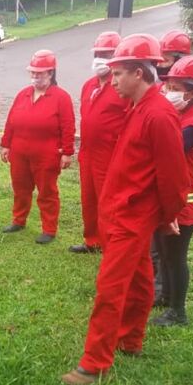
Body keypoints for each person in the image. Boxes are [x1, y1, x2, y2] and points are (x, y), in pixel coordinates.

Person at [61, 34, 188, 385]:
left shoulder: (159, 115)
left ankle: (94, 362)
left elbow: (174, 176)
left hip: (133, 215)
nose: (112, 80)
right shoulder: (137, 107)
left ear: (138, 73)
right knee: (140, 277)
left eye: (118, 74)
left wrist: (168, 215)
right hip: (121, 210)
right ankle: (131, 340)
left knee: (110, 285)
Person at [151, 56, 193, 326]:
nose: (168, 91)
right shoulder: (180, 113)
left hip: (188, 199)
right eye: (169, 85)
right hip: (172, 195)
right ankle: (165, 295)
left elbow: (168, 152)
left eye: (175, 87)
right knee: (164, 251)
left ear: (192, 92)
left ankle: (178, 312)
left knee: (176, 255)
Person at [0, 50, 75, 244]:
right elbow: (10, 121)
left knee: (47, 192)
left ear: (50, 73)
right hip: (20, 151)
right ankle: (19, 220)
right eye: (33, 73)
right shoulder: (23, 94)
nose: (35, 77)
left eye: (39, 73)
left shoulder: (61, 97)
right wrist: (6, 145)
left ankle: (49, 229)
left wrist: (67, 152)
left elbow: (68, 126)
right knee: (20, 188)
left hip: (46, 153)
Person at [69, 31, 130, 254]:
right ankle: (92, 239)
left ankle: (110, 243)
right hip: (88, 151)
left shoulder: (122, 88)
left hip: (109, 153)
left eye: (106, 54)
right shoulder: (89, 85)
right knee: (88, 198)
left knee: (108, 201)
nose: (100, 58)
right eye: (98, 53)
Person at [152, 29, 192, 302]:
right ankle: (160, 288)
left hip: (180, 191)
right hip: (161, 184)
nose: (163, 62)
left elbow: (173, 154)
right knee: (158, 245)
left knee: (170, 249)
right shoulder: (162, 91)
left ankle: (165, 294)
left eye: (168, 57)